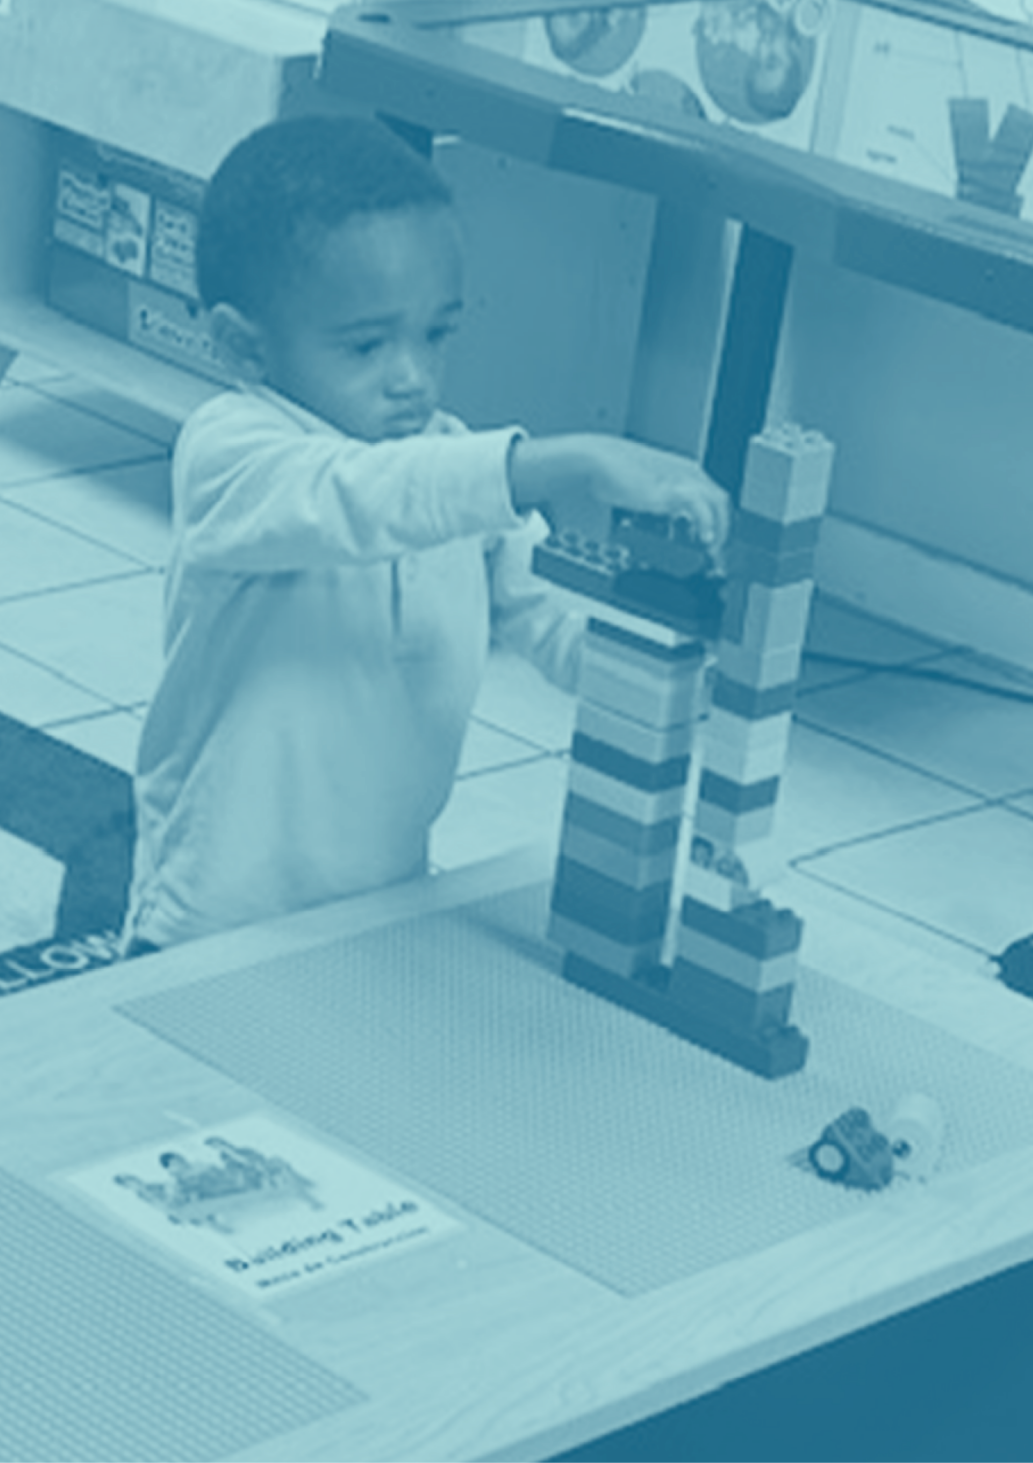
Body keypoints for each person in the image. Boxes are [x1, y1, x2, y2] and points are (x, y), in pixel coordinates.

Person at [124, 114, 732, 952]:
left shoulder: (450, 465)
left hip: (383, 900)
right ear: (242, 343)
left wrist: (682, 664)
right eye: (367, 345)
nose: (411, 376)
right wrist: (567, 459)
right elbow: (360, 499)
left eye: (435, 333)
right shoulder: (230, 454)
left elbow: (556, 626)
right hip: (212, 913)